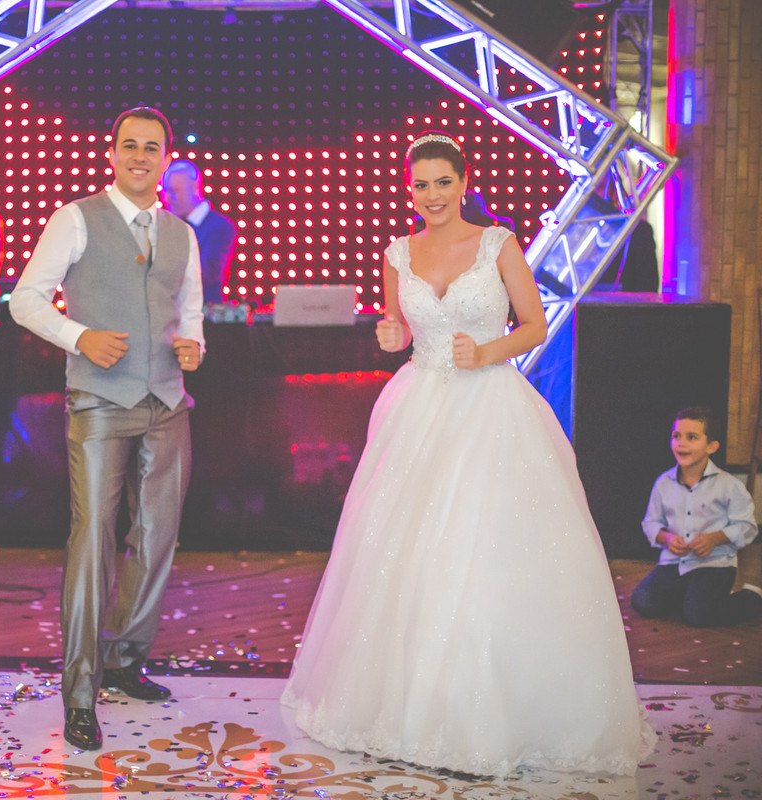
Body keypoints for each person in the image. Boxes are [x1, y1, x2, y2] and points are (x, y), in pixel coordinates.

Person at [281, 131, 656, 777]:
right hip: (419, 405)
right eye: (421, 185)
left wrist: (485, 352)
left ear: (462, 182)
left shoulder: (498, 244)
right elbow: (399, 331)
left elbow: (534, 326)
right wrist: (391, 333)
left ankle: (500, 707)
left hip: (490, 406)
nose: (432, 195)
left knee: (484, 543)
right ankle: (409, 707)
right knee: (405, 549)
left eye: (443, 182)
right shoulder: (398, 253)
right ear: (410, 190)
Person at [9, 107, 204, 751]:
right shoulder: (76, 218)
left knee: (157, 537)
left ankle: (124, 660)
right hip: (98, 401)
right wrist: (79, 336)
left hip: (167, 401)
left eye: (152, 147)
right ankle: (80, 692)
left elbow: (190, 309)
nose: (140, 156)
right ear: (113, 152)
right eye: (129, 145)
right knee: (93, 537)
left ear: (166, 159)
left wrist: (193, 344)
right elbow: (25, 299)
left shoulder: (181, 233)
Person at [631, 407, 761, 626]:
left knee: (698, 616)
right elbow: (650, 523)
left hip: (715, 564)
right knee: (643, 601)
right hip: (674, 563)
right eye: (676, 436)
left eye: (691, 437)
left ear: (712, 446)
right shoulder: (663, 483)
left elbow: (747, 527)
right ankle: (692, 597)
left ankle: (752, 597)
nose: (681, 443)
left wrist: (714, 538)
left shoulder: (729, 485)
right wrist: (667, 539)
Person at [161, 159, 236, 306]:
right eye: (165, 192)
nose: (167, 199)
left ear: (194, 188)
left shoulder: (219, 227)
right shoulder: (165, 225)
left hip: (202, 313)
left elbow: (206, 272)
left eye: (174, 191)